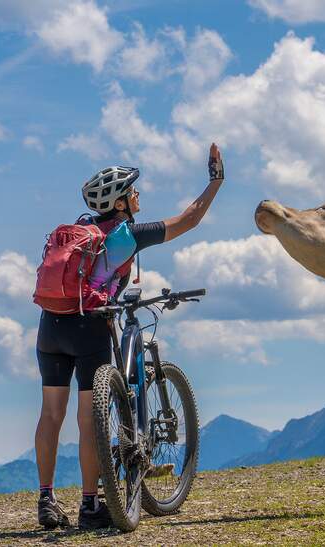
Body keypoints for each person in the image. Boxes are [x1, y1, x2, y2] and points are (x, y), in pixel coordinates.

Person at [34, 143, 225, 529]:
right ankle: (90, 505)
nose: (139, 196)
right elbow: (189, 219)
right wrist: (216, 181)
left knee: (51, 413)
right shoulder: (128, 235)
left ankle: (46, 499)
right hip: (89, 326)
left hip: (50, 324)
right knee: (89, 419)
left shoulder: (79, 231)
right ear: (120, 204)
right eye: (133, 191)